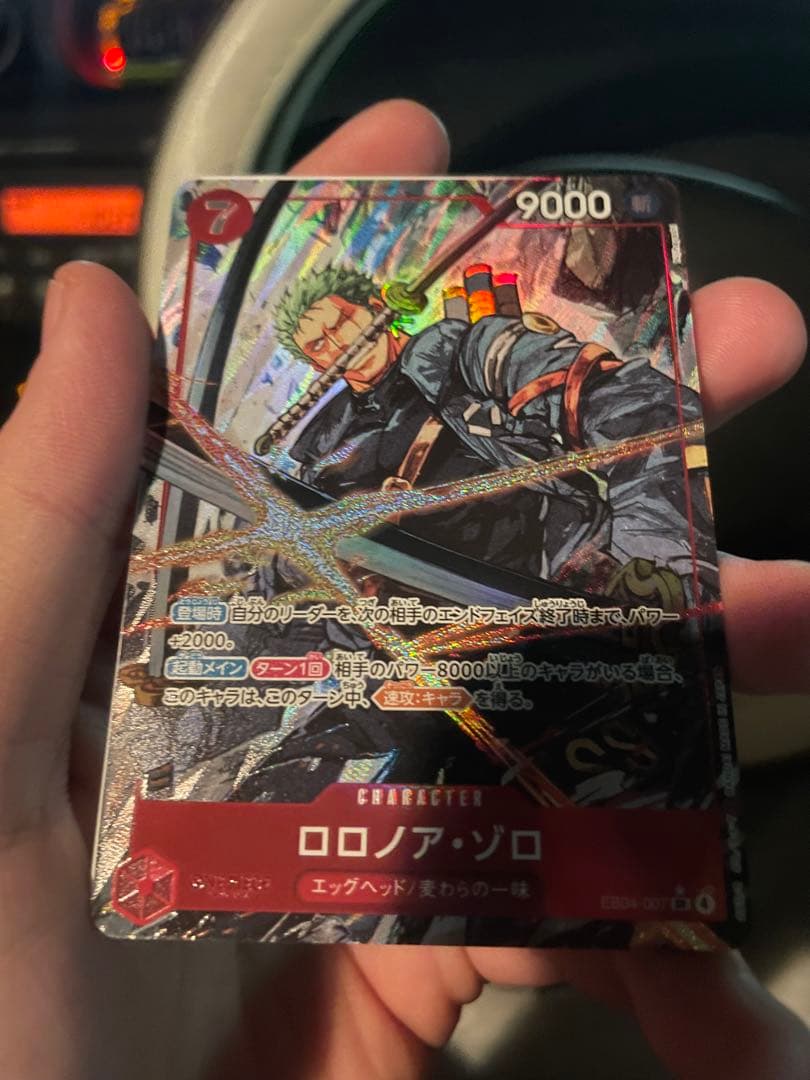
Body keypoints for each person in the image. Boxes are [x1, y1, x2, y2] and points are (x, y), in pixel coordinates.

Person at [0, 100, 808, 1078]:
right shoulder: (324, 451)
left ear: (377, 309)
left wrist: (640, 571)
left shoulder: (462, 353)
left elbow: (632, 411)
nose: (341, 339)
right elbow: (275, 591)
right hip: (390, 686)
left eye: (346, 316)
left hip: (555, 628)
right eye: (321, 337)